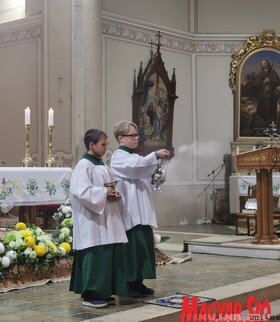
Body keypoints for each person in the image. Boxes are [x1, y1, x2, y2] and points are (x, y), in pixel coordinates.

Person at [69, 129, 128, 308]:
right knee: (95, 256)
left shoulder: (102, 165)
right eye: (103, 144)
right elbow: (81, 192)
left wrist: (116, 195)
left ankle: (103, 291)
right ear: (91, 145)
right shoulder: (83, 166)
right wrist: (104, 193)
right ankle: (90, 294)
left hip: (107, 217)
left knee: (106, 255)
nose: (105, 148)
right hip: (91, 220)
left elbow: (111, 187)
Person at [110, 121, 170, 296]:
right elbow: (136, 169)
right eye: (131, 136)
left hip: (141, 208)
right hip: (130, 210)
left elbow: (143, 169)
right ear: (121, 138)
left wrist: (155, 177)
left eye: (137, 135)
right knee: (132, 248)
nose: (136, 139)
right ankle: (128, 283)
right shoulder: (119, 156)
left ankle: (138, 282)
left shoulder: (135, 156)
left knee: (142, 247)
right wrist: (155, 155)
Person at [254, 59, 280, 126]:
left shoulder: (273, 72)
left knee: (272, 108)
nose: (264, 64)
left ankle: (272, 122)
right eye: (262, 63)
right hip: (263, 94)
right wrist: (264, 82)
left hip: (272, 93)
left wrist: (270, 81)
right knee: (264, 108)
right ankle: (265, 121)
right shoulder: (260, 73)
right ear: (261, 65)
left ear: (268, 64)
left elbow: (277, 82)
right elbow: (256, 84)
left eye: (265, 63)